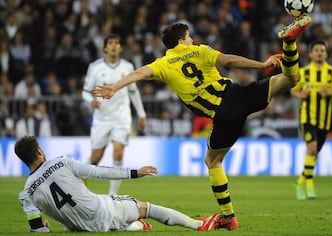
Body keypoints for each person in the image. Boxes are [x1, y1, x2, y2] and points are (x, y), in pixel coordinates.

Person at [93, 15, 312, 230]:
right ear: (181, 41)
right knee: (291, 78)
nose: (192, 40)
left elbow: (140, 73)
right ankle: (290, 43)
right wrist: (262, 64)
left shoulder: (163, 64)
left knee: (213, 162)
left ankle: (228, 216)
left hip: (224, 114)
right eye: (189, 37)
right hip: (239, 94)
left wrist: (114, 87)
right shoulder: (200, 50)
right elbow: (228, 60)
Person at [16, 136, 219, 232]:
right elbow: (99, 172)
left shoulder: (26, 193)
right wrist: (134, 173)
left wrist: (44, 228)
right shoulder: (61, 162)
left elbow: (38, 230)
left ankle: (137, 225)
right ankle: (200, 225)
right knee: (145, 207)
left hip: (78, 228)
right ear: (39, 152)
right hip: (103, 211)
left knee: (120, 221)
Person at [82, 34, 147, 195]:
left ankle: (113, 196)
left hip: (121, 118)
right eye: (110, 43)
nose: (113, 46)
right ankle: (79, 189)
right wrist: (91, 101)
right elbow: (85, 92)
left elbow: (133, 91)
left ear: (120, 48)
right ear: (104, 48)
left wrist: (141, 114)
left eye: (117, 43)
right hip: (102, 118)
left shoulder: (127, 66)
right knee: (95, 158)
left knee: (118, 152)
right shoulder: (95, 67)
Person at [291, 40, 332, 200]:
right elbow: (293, 90)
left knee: (314, 153)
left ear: (326, 54)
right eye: (316, 50)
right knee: (312, 149)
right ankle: (309, 185)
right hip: (307, 118)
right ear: (311, 53)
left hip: (324, 120)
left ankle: (300, 181)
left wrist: (330, 92)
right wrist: (300, 95)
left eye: (322, 50)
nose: (319, 53)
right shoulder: (303, 73)